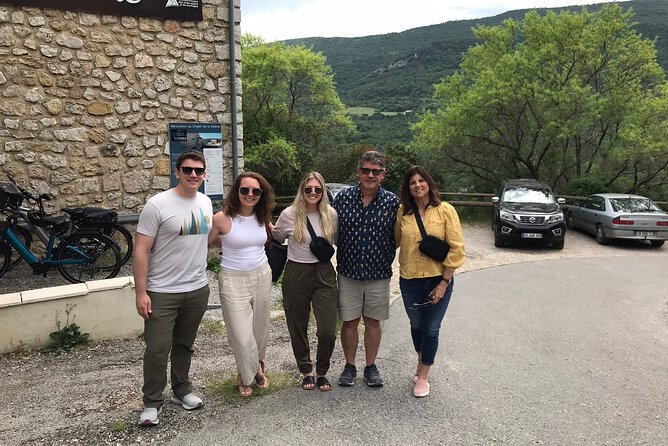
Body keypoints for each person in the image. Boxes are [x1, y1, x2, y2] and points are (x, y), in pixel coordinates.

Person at [134, 150, 213, 426]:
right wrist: (141, 292)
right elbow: (142, 250)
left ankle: (181, 390)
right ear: (176, 172)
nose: (194, 175)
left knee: (184, 345)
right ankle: (152, 402)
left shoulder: (205, 203)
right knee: (156, 348)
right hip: (162, 290)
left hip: (197, 288)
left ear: (204, 175)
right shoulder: (157, 205)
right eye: (188, 170)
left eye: (199, 171)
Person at [394, 165, 466, 398]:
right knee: (416, 326)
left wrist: (444, 281)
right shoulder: (403, 212)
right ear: (408, 188)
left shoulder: (446, 210)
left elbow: (457, 249)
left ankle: (423, 376)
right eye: (412, 182)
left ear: (428, 183)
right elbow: (395, 240)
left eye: (421, 181)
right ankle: (421, 362)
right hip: (410, 279)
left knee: (431, 328)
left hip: (438, 278)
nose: (417, 185)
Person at [333, 150, 400, 387]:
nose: (370, 175)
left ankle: (370, 366)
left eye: (376, 171)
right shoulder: (342, 199)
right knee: (349, 322)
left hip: (379, 274)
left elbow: (400, 235)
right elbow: (333, 233)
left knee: (373, 322)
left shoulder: (393, 202)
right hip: (349, 272)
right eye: (366, 170)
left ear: (383, 175)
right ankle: (350, 366)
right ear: (358, 172)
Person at [208, 172, 275, 397]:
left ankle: (254, 367)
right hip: (232, 278)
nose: (250, 195)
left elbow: (273, 236)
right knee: (240, 333)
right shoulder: (221, 218)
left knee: (260, 328)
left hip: (262, 275)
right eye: (244, 190)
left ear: (261, 195)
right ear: (236, 192)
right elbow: (207, 242)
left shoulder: (262, 217)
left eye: (255, 191)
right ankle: (247, 375)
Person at [272, 172, 338, 392]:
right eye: (308, 189)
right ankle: (306, 370)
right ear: (302, 190)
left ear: (323, 191)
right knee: (297, 325)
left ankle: (322, 371)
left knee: (327, 329)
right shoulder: (289, 214)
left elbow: (337, 240)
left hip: (324, 273)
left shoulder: (331, 214)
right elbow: (277, 238)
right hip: (296, 272)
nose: (312, 193)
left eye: (317, 189)